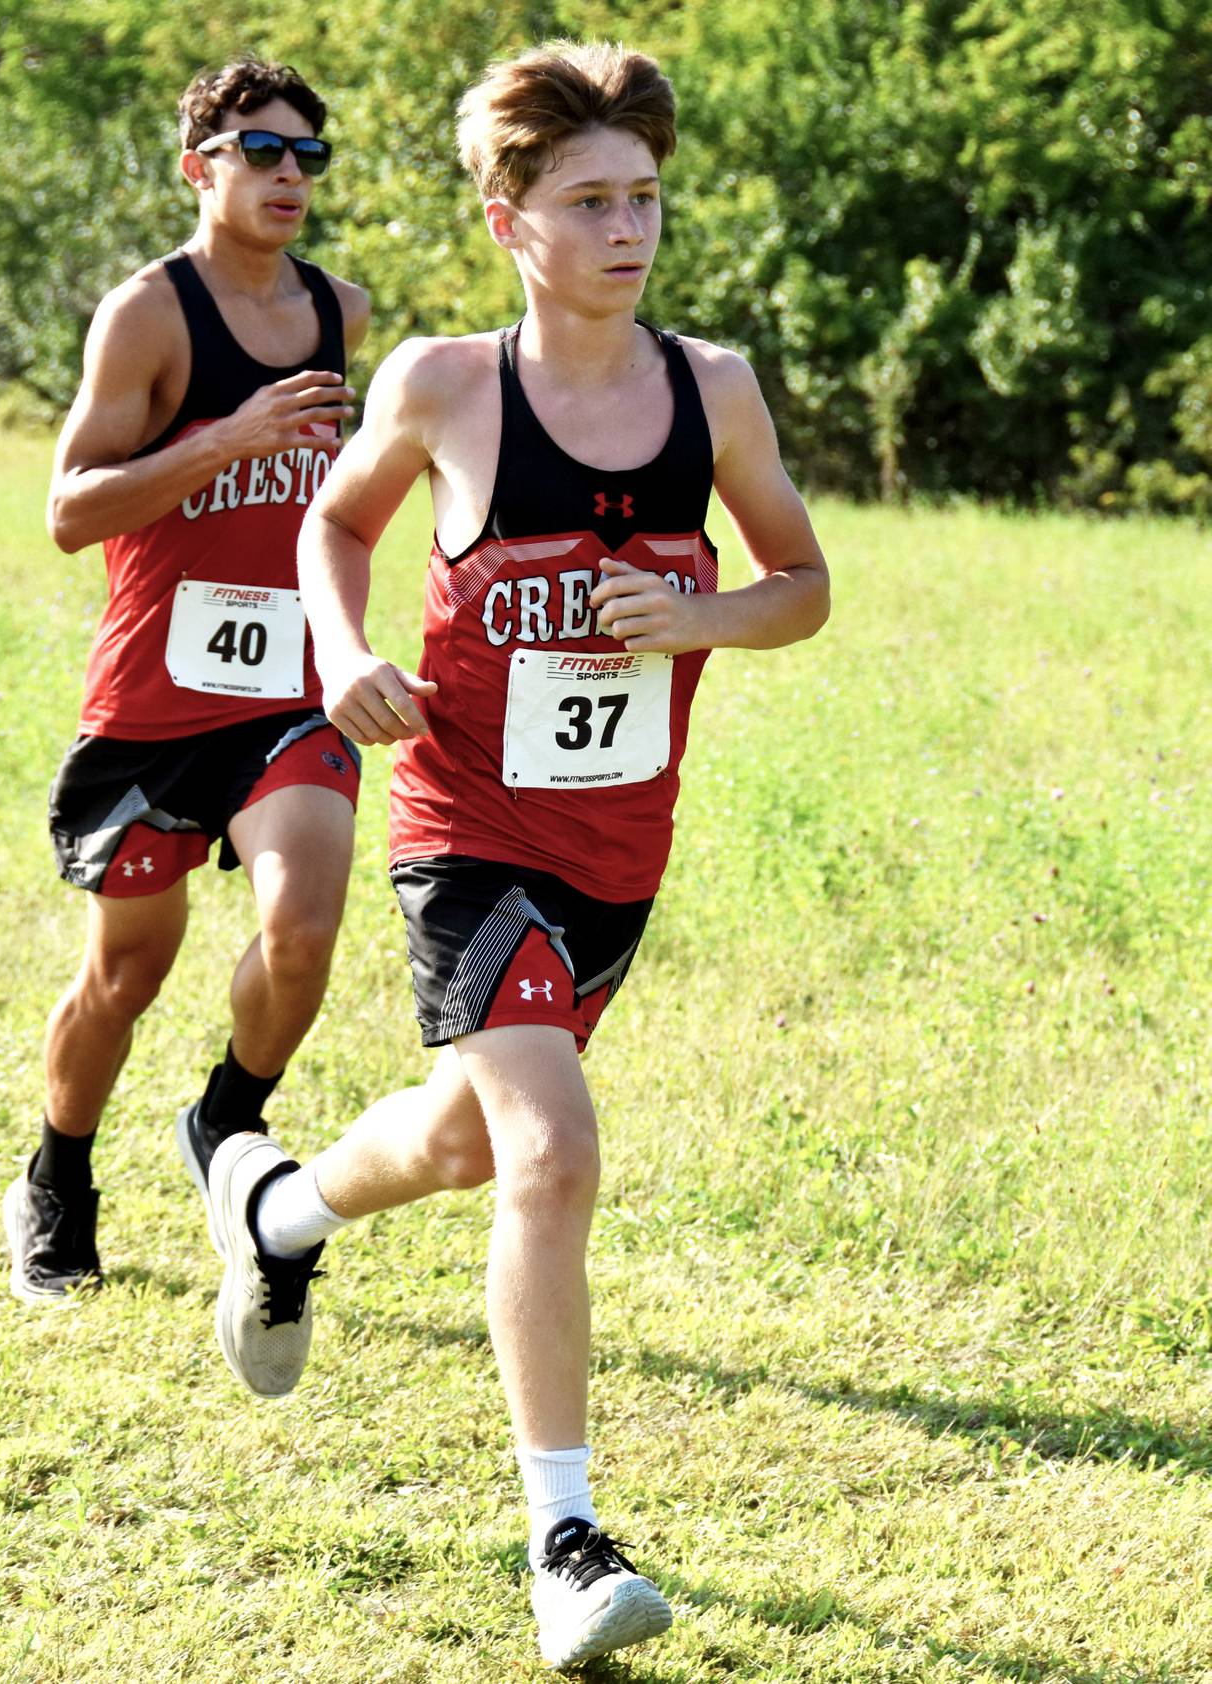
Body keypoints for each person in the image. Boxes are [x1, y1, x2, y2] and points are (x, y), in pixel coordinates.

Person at [209, 40, 830, 1670]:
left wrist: (702, 613)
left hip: (621, 848)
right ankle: (566, 1535)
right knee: (553, 1146)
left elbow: (805, 582)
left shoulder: (715, 390)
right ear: (510, 218)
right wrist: (341, 650)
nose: (629, 229)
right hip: (468, 828)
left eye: (644, 197)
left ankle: (279, 1216)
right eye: (589, 201)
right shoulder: (444, 384)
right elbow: (333, 524)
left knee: (471, 1142)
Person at [3, 54, 370, 1305]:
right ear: (197, 167)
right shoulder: (149, 315)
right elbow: (68, 508)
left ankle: (227, 1117)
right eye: (260, 152)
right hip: (155, 705)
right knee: (126, 975)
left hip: (290, 694)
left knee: (304, 925)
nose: (288, 176)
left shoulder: (342, 313)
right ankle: (57, 1174)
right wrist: (225, 437)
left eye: (307, 157)